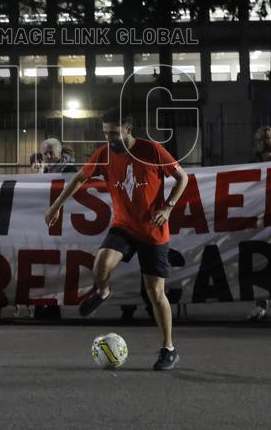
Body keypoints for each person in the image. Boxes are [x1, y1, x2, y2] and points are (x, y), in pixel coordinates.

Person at [44, 108, 189, 371]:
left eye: (114, 134)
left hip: (153, 231)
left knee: (156, 293)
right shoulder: (104, 154)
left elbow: (182, 177)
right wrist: (56, 206)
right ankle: (103, 291)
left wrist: (168, 207)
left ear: (128, 130)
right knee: (101, 264)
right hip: (123, 226)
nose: (109, 139)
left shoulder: (152, 151)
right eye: (105, 134)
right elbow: (80, 178)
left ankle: (168, 348)